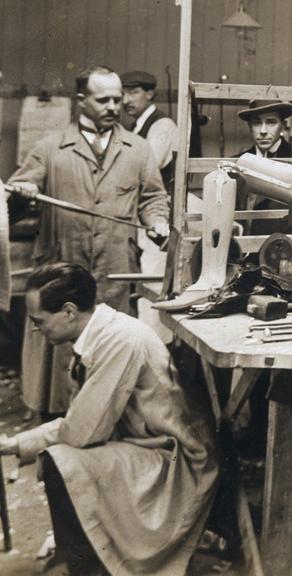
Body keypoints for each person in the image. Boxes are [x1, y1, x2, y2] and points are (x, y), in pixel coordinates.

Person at [0, 263, 218, 575]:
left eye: (40, 321)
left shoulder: (118, 340)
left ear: (69, 311)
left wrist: (17, 443)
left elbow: (81, 433)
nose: (37, 329)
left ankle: (84, 566)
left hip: (176, 459)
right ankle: (81, 557)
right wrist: (17, 444)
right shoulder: (103, 331)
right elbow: (84, 421)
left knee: (60, 461)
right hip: (146, 442)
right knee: (63, 458)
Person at [6, 65, 169, 420]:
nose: (115, 105)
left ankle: (105, 439)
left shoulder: (138, 149)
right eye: (104, 99)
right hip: (60, 273)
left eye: (118, 98)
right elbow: (11, 204)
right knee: (59, 370)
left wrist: (158, 221)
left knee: (111, 360)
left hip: (115, 274)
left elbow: (153, 198)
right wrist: (24, 193)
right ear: (82, 101)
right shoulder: (50, 148)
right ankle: (57, 437)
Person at [121, 69, 179, 341]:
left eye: (132, 92)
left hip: (157, 215)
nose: (125, 100)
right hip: (139, 217)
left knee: (151, 286)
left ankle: (156, 350)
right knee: (139, 285)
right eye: (123, 93)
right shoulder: (134, 127)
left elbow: (145, 170)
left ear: (149, 93)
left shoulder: (162, 125)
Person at [235, 99, 292, 235]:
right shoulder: (236, 162)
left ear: (283, 125)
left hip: (287, 248)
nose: (263, 131)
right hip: (245, 250)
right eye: (256, 123)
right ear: (249, 126)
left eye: (271, 122)